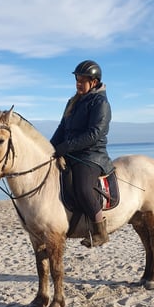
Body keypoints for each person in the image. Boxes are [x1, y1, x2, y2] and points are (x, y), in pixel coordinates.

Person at [50, 60, 115, 247]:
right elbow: (62, 127)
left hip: (92, 155)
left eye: (82, 80)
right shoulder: (73, 102)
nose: (78, 83)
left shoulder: (100, 103)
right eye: (77, 79)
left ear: (93, 82)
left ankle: (100, 231)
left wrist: (66, 147)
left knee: (83, 186)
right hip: (71, 152)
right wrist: (50, 148)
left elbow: (95, 134)